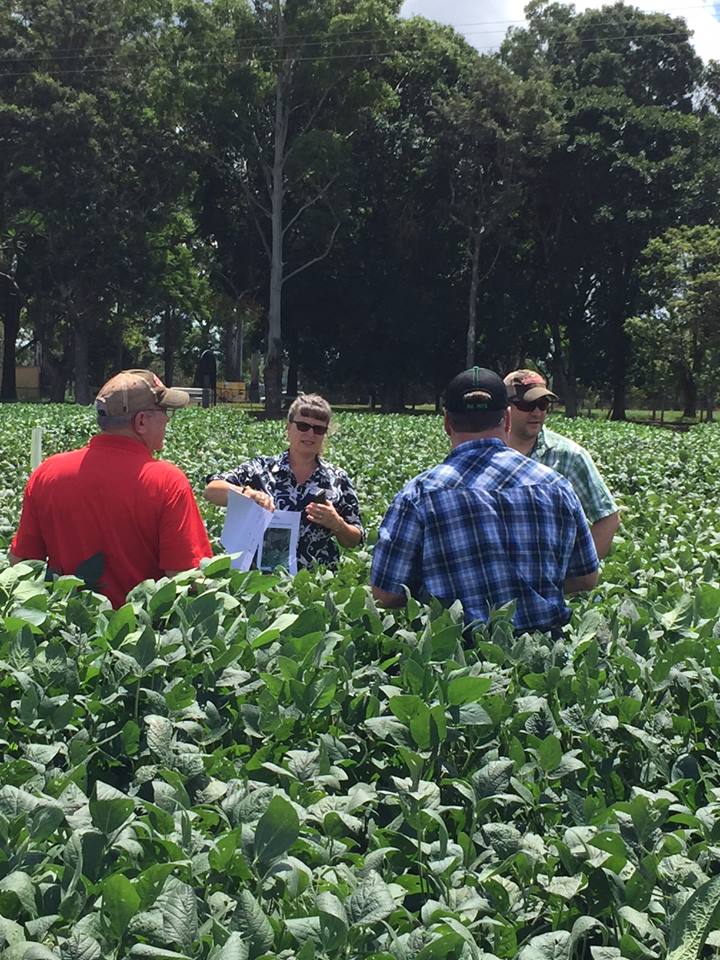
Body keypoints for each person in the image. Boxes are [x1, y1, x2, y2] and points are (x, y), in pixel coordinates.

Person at [370, 367, 599, 633]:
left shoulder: (420, 494)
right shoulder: (555, 485)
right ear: (507, 420)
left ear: (447, 423)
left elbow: (384, 594)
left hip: (456, 665)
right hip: (545, 661)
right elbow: (587, 577)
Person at [9, 369, 212, 608]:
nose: (167, 419)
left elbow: (21, 565)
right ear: (141, 421)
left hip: (67, 631)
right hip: (137, 637)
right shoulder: (167, 482)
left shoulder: (47, 473)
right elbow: (183, 576)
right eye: (164, 411)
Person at [203, 393, 363, 569]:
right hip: (261, 580)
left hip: (316, 584)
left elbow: (355, 539)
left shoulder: (338, 479)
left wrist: (337, 523)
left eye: (318, 429)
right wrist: (247, 494)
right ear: (288, 428)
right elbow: (212, 490)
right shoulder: (260, 468)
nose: (310, 433)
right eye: (303, 426)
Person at [503, 369, 620, 559]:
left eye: (543, 404)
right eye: (527, 405)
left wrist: (577, 575)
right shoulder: (488, 453)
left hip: (551, 583)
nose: (537, 412)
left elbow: (608, 518)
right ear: (504, 407)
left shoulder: (570, 456)